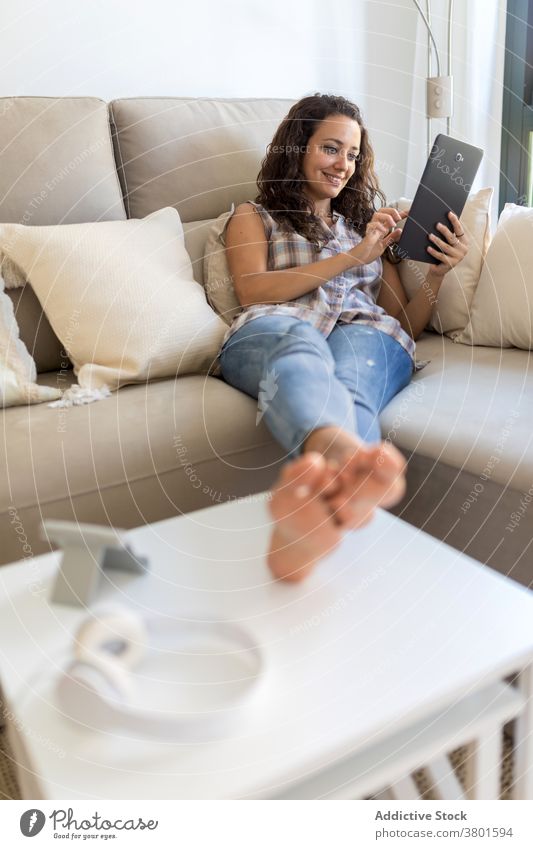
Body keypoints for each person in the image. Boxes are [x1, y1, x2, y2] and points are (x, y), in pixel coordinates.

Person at [219, 93, 469, 582]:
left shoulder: (363, 230)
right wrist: (356, 257)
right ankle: (337, 463)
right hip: (275, 327)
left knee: (357, 378)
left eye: (353, 155)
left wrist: (437, 274)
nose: (344, 165)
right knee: (300, 347)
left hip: (362, 332)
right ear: (297, 148)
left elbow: (403, 322)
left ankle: (310, 525)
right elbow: (254, 291)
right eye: (331, 148)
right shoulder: (253, 215)